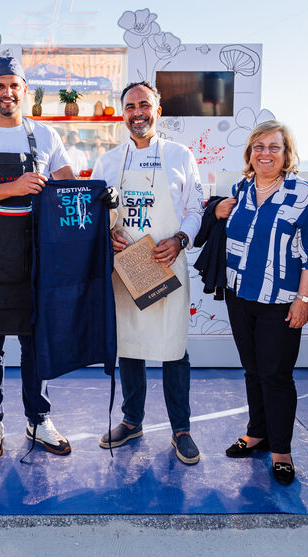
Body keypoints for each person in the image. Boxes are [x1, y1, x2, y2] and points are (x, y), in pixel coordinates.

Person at [0, 57, 76, 459]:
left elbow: (68, 187)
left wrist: (95, 194)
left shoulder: (45, 135)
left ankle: (38, 419)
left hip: (34, 250)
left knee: (34, 339)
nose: (7, 92)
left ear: (25, 90)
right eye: (0, 85)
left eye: (14, 85)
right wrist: (16, 186)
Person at [91, 81, 204, 464]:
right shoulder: (107, 161)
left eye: (144, 105)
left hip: (165, 261)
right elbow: (96, 214)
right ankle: (132, 420)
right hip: (127, 268)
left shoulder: (179, 155)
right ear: (122, 113)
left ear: (157, 110)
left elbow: (196, 208)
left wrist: (181, 239)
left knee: (174, 349)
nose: (137, 112)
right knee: (130, 348)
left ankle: (181, 429)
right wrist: (107, 234)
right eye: (130, 106)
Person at [213, 121, 308, 485]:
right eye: (258, 146)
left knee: (276, 375)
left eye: (274, 147)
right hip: (239, 295)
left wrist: (303, 300)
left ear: (286, 154)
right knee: (252, 370)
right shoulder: (242, 189)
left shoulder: (302, 194)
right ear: (249, 153)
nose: (265, 153)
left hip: (280, 301)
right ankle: (257, 433)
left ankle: (281, 450)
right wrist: (218, 209)